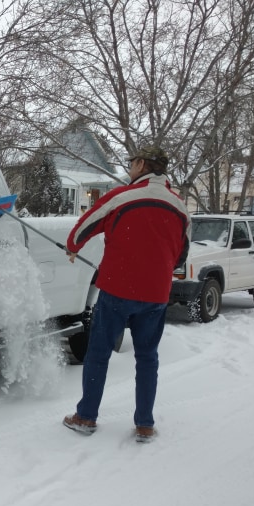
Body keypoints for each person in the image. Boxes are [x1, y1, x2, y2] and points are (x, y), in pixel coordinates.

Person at [62, 145, 190, 443]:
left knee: (98, 354)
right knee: (147, 358)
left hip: (117, 291)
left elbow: (81, 230)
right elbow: (182, 256)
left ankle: (86, 416)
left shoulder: (122, 197)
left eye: (132, 162)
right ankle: (144, 424)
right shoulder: (180, 207)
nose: (129, 167)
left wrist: (72, 248)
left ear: (142, 164)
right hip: (156, 296)